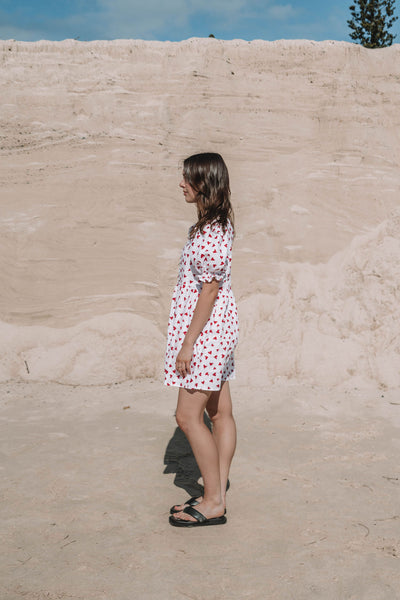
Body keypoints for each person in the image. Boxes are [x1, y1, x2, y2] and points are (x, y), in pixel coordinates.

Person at [164, 152, 239, 527]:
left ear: (203, 184)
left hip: (206, 333)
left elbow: (208, 291)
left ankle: (212, 502)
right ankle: (217, 491)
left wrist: (188, 343)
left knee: (187, 416)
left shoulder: (209, 233)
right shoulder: (217, 224)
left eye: (187, 178)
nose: (181, 183)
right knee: (219, 412)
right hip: (219, 329)